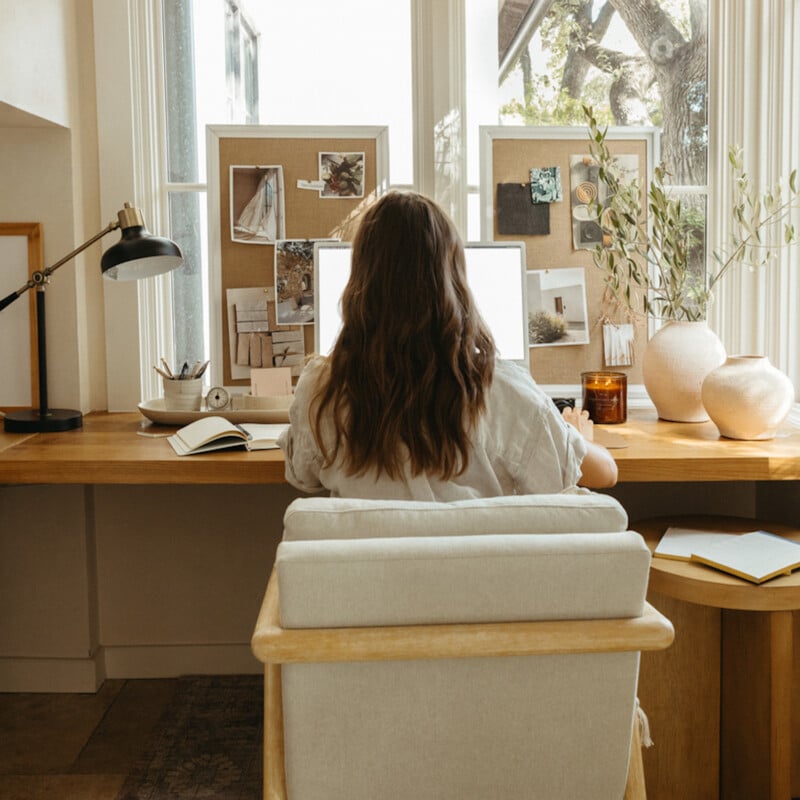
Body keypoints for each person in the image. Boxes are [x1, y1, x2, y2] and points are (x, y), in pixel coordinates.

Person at [278, 190, 618, 499]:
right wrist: (578, 437)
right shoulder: (503, 393)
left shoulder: (322, 393)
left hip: (372, 569)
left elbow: (303, 475)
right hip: (475, 570)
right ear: (453, 284)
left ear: (361, 286)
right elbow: (605, 473)